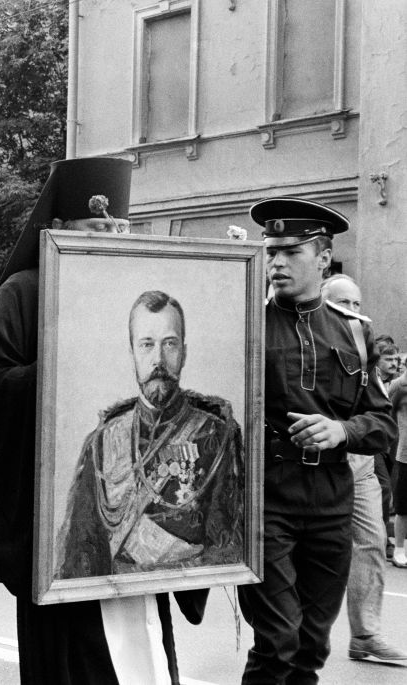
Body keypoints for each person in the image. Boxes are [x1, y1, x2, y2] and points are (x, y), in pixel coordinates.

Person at [0, 157, 208, 685]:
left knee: (141, 654)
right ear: (58, 231)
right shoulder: (25, 292)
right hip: (63, 528)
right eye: (99, 229)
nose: (115, 239)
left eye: (122, 229)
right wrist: (58, 367)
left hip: (137, 516)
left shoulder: (139, 293)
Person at [239, 197, 396, 683]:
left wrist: (341, 431)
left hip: (331, 500)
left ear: (324, 258)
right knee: (279, 639)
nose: (277, 262)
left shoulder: (354, 332)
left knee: (311, 645)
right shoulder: (244, 322)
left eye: (291, 252)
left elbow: (383, 425)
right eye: (271, 251)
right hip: (266, 498)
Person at [56, 290, 244, 578]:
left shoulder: (216, 436)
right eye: (147, 345)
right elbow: (81, 546)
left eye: (170, 344)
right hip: (113, 595)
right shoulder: (104, 440)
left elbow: (227, 545)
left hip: (183, 589)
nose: (159, 359)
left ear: (184, 352)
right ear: (132, 351)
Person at [319, 275, 407, 664]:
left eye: (356, 304)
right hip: (313, 466)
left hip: (359, 464)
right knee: (311, 552)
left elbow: (379, 414)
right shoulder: (308, 339)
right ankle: (296, 636)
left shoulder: (362, 347)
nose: (351, 312)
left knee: (371, 543)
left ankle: (366, 634)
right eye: (342, 303)